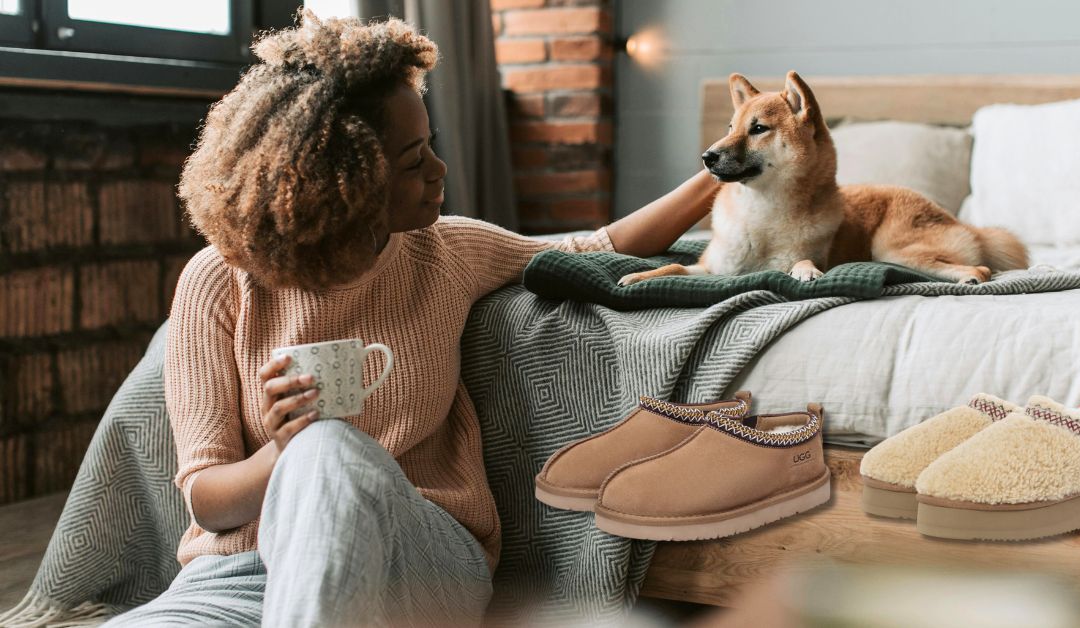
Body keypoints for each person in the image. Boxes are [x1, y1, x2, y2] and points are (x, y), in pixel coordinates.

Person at [103, 12, 717, 628]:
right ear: (342, 183)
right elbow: (209, 503)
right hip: (238, 579)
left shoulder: (447, 252)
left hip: (418, 564)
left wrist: (726, 171)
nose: (438, 171)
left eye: (431, 147)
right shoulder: (216, 282)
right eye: (412, 160)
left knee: (327, 450)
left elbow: (600, 247)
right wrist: (280, 453)